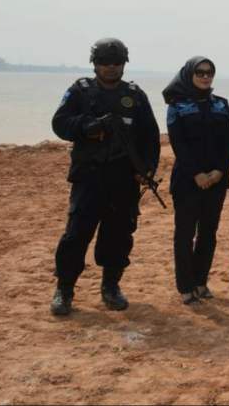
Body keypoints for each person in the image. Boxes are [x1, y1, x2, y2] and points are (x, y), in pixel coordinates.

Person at [50, 38, 160, 316]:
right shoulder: (80, 91)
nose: (111, 68)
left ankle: (110, 287)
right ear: (94, 64)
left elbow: (150, 136)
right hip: (89, 178)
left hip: (123, 180)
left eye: (116, 62)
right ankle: (64, 289)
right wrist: (88, 127)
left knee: (119, 236)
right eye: (104, 63)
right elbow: (60, 124)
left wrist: (146, 169)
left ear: (124, 64)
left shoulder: (135, 95)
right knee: (76, 236)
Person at [163, 57, 229, 305]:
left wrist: (220, 172)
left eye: (210, 73)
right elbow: (178, 144)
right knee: (184, 234)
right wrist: (197, 174)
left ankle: (201, 281)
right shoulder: (177, 106)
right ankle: (185, 286)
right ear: (189, 75)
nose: (205, 77)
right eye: (200, 72)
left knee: (208, 233)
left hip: (216, 181)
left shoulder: (222, 105)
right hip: (187, 180)